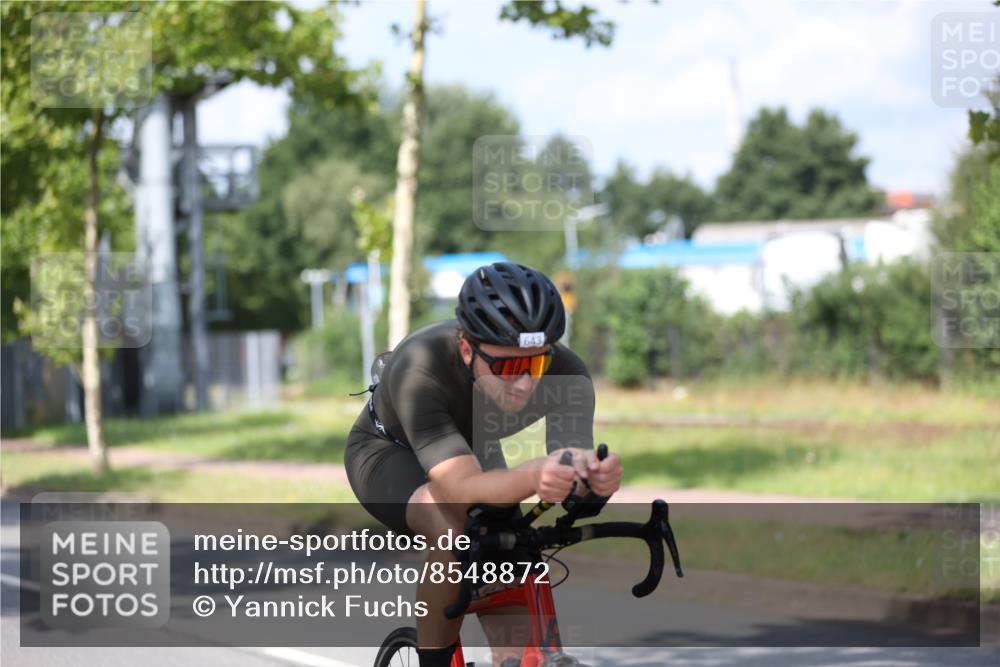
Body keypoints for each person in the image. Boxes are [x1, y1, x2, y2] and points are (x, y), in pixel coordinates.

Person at [345, 262, 623, 667]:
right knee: (456, 532)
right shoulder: (421, 364)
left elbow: (570, 462)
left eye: (537, 364)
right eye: (508, 367)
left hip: (473, 450)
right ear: (465, 349)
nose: (525, 383)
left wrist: (592, 482)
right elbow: (456, 486)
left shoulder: (569, 374)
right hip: (388, 453)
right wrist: (532, 475)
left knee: (516, 552)